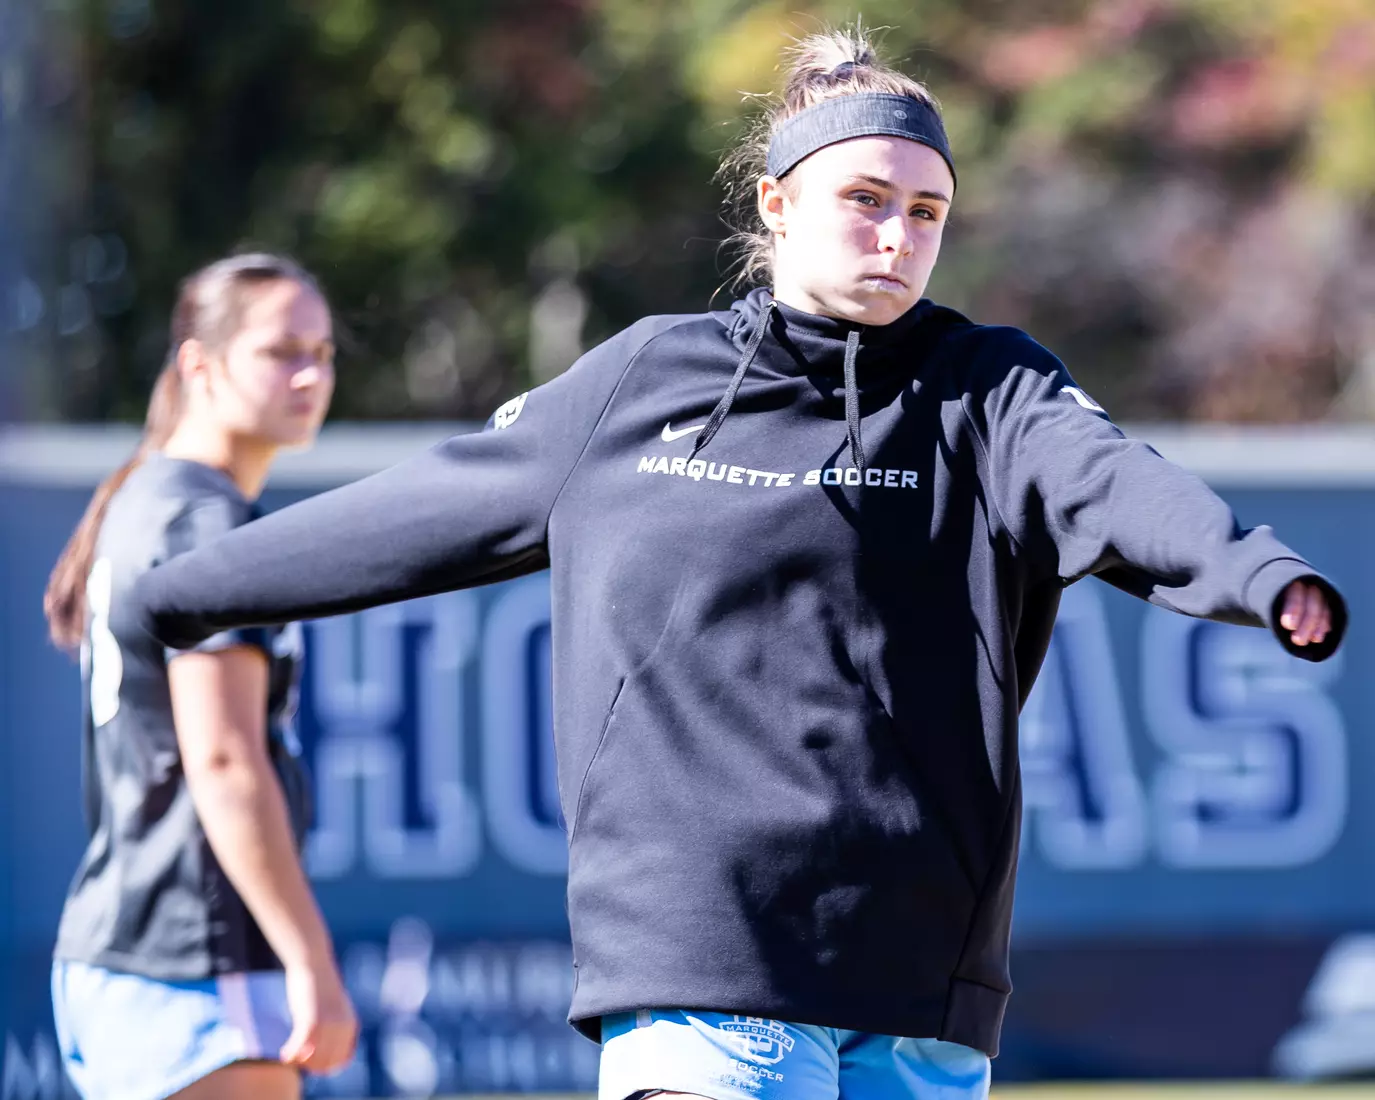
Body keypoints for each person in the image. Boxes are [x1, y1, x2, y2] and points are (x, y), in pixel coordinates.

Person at [130, 31, 1344, 1100]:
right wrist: (176, 592)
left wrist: (1252, 571)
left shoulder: (986, 386)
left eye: (925, 211)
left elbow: (1111, 478)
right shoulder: (643, 380)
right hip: (704, 964)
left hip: (922, 986)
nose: (897, 234)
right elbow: (420, 505)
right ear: (774, 205)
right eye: (865, 198)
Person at [44, 253, 358, 1100]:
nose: (309, 374)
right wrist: (308, 959)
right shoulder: (199, 515)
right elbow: (220, 759)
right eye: (280, 350)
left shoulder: (152, 497)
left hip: (126, 955)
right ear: (198, 365)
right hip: (193, 956)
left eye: (324, 353)